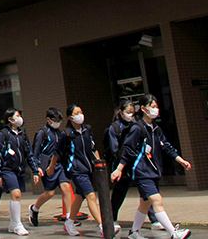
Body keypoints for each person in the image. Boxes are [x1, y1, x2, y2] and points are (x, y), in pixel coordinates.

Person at [111, 94, 192, 239]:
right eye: (152, 107)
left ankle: (134, 232)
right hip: (142, 172)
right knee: (157, 200)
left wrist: (181, 160)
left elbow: (166, 146)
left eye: (156, 107)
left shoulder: (155, 128)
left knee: (145, 203)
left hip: (153, 171)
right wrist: (119, 169)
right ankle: (174, 233)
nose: (156, 110)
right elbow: (128, 149)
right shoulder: (137, 128)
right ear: (143, 109)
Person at [48, 104, 103, 237]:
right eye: (77, 113)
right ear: (70, 117)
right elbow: (57, 152)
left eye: (81, 112)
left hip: (88, 167)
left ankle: (69, 222)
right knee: (91, 195)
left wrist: (99, 163)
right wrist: (51, 167)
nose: (80, 115)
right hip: (76, 169)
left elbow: (94, 147)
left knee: (79, 196)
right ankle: (103, 225)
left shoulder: (87, 129)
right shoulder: (66, 134)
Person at [107, 101, 159, 230]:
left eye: (132, 112)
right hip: (123, 164)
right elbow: (115, 149)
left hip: (136, 163)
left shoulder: (136, 125)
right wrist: (120, 164)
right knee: (119, 193)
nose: (130, 115)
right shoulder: (114, 127)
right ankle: (111, 218)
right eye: (128, 112)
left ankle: (154, 219)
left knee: (146, 192)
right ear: (120, 112)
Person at [0, 108, 40, 236]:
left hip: (19, 170)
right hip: (7, 170)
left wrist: (35, 171)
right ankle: (18, 224)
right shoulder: (3, 135)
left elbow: (29, 154)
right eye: (17, 116)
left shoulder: (22, 135)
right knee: (16, 193)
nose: (20, 118)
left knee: (16, 197)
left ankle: (13, 224)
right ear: (10, 119)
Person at [29, 107, 73, 227]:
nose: (57, 123)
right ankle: (34, 208)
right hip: (47, 166)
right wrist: (37, 168)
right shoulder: (43, 133)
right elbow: (35, 152)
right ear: (48, 120)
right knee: (50, 193)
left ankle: (69, 218)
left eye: (59, 120)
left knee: (66, 188)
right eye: (55, 120)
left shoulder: (60, 133)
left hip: (59, 165)